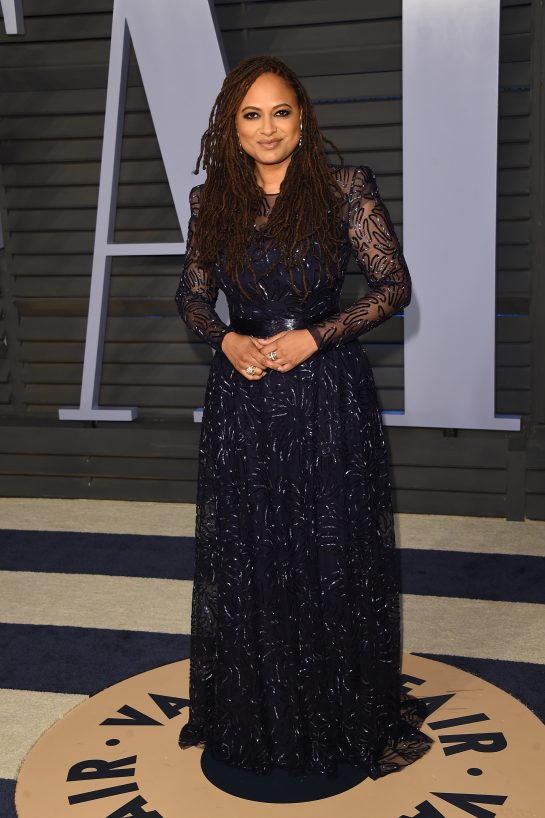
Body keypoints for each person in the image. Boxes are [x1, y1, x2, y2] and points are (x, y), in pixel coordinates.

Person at [175, 54, 433, 779]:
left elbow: (392, 286)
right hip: (244, 397)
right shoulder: (210, 201)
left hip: (327, 393)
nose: (267, 127)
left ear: (302, 118)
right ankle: (257, 707)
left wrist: (315, 336)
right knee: (252, 548)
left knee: (330, 548)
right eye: (251, 114)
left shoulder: (344, 189)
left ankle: (337, 706)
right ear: (231, 125)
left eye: (280, 112)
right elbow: (190, 295)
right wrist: (225, 338)